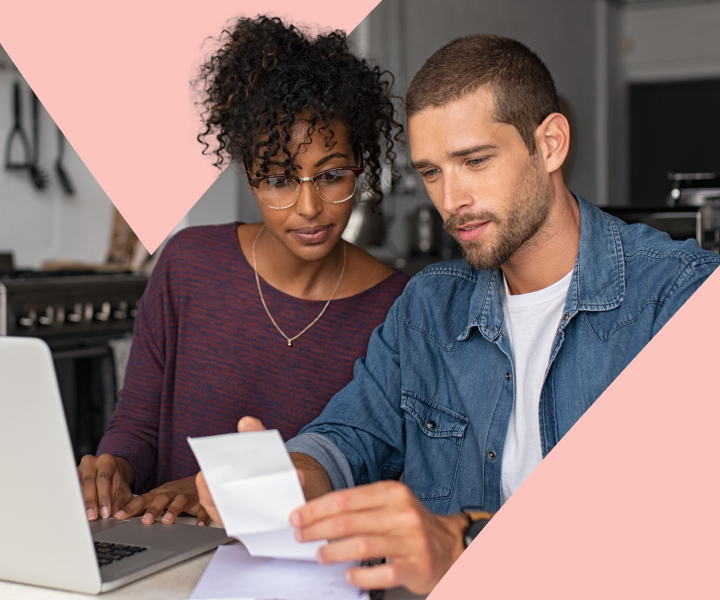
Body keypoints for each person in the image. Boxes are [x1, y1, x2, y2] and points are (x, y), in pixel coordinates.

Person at [196, 34, 720, 593]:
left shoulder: (678, 297)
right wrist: (294, 477)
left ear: (550, 144)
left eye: (474, 161)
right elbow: (349, 435)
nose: (451, 200)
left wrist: (464, 542)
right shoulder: (428, 307)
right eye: (432, 172)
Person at [76, 16, 409, 528]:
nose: (308, 207)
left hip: (304, 568)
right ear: (249, 179)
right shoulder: (187, 265)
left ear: (361, 167)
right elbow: (138, 426)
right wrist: (114, 466)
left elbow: (374, 472)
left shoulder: (398, 308)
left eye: (332, 175)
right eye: (277, 179)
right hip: (167, 547)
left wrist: (219, 491)